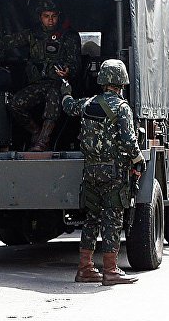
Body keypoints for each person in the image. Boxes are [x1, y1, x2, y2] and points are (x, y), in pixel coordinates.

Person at [60, 59, 143, 286]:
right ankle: (110, 270)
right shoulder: (122, 108)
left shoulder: (87, 104)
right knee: (112, 220)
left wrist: (65, 89)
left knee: (91, 220)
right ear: (122, 82)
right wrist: (138, 159)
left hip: (91, 171)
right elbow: (128, 140)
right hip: (114, 172)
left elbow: (68, 106)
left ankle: (85, 268)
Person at [0, 0, 82, 151]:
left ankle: (42, 142)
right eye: (46, 16)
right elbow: (6, 42)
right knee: (15, 104)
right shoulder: (33, 34)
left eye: (54, 16)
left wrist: (67, 72)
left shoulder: (69, 36)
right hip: (38, 83)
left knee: (53, 95)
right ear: (40, 17)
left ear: (59, 16)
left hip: (61, 84)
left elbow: (75, 63)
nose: (50, 20)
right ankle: (37, 132)